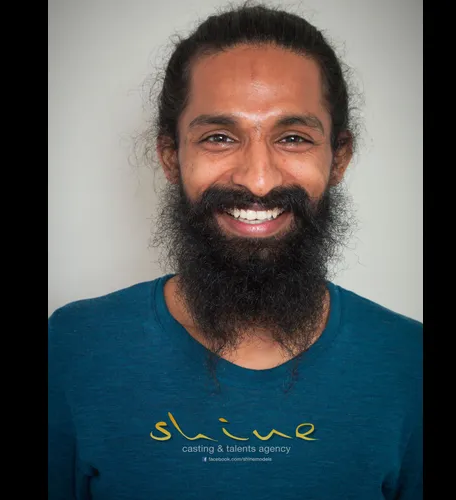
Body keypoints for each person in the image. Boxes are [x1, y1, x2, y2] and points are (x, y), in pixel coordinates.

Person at [48, 3, 422, 499]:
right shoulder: (72, 349)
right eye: (219, 138)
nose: (258, 180)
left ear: (338, 158)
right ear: (170, 156)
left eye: (293, 138)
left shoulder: (410, 363)